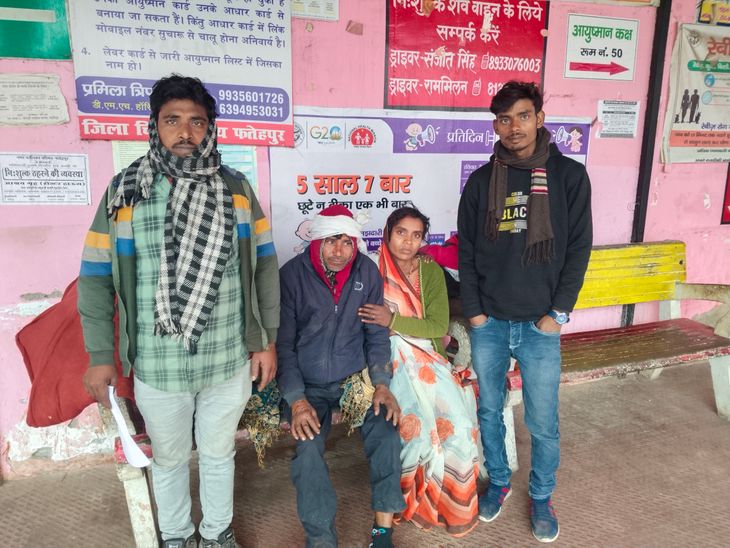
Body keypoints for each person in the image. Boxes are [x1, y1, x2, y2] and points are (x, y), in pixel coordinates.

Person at [78, 75, 280, 548]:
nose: (185, 132)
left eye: (197, 121)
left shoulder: (237, 189)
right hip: (158, 362)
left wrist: (265, 340)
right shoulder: (125, 193)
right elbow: (95, 277)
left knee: (218, 454)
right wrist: (101, 355)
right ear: (155, 126)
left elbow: (265, 268)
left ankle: (216, 533)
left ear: (210, 128)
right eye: (173, 120)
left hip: (228, 357)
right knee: (169, 459)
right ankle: (175, 536)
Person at [457, 81, 592, 543]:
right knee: (489, 411)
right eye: (504, 119)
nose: (514, 127)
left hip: (541, 326)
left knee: (542, 422)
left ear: (539, 118)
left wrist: (558, 314)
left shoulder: (569, 176)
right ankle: (499, 481)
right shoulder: (481, 181)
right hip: (490, 323)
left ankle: (541, 495)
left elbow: (578, 249)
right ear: (495, 125)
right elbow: (467, 252)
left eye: (523, 116)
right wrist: (475, 314)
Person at [277, 205, 405, 548]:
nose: (340, 251)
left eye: (347, 242)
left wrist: (381, 384)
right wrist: (296, 399)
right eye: (332, 241)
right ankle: (321, 539)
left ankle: (382, 532)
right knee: (308, 450)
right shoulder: (292, 275)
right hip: (308, 386)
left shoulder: (367, 272)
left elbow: (376, 335)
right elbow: (283, 346)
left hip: (354, 380)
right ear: (318, 240)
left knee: (387, 432)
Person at [358, 207, 480, 537]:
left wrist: (392, 320)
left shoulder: (429, 271)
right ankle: (411, 503)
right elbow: (363, 324)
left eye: (416, 236)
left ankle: (450, 505)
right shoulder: (370, 270)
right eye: (401, 233)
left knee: (459, 427)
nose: (408, 242)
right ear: (388, 233)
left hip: (427, 357)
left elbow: (438, 326)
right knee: (415, 432)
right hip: (387, 360)